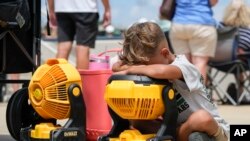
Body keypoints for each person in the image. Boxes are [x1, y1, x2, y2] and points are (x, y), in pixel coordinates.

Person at [112, 22, 229, 141]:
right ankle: (174, 135)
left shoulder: (184, 66)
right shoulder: (153, 63)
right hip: (179, 127)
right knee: (138, 121)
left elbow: (161, 71)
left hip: (211, 128)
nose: (145, 70)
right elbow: (116, 66)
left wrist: (131, 69)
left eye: (147, 66)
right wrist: (127, 64)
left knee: (201, 118)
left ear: (165, 53)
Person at [48, 0, 111, 69]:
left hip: (62, 8)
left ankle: (57, 78)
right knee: (83, 47)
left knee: (63, 46)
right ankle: (82, 79)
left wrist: (51, 10)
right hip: (86, 8)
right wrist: (107, 9)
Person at [169, 0, 219, 83]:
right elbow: (213, 2)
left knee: (183, 64)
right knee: (199, 63)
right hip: (201, 23)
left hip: (178, 24)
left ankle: (183, 95)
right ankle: (198, 95)